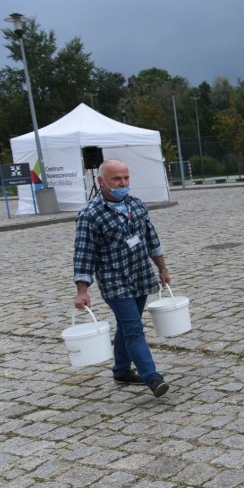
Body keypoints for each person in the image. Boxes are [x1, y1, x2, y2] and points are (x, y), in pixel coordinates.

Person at [73, 159, 172, 398]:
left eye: (126, 178)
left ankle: (120, 371)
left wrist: (162, 269)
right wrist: (82, 290)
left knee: (128, 325)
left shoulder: (136, 205)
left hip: (140, 276)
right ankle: (152, 377)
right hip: (114, 281)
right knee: (134, 329)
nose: (123, 183)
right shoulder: (90, 214)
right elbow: (83, 254)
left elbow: (152, 240)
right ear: (101, 181)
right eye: (117, 179)